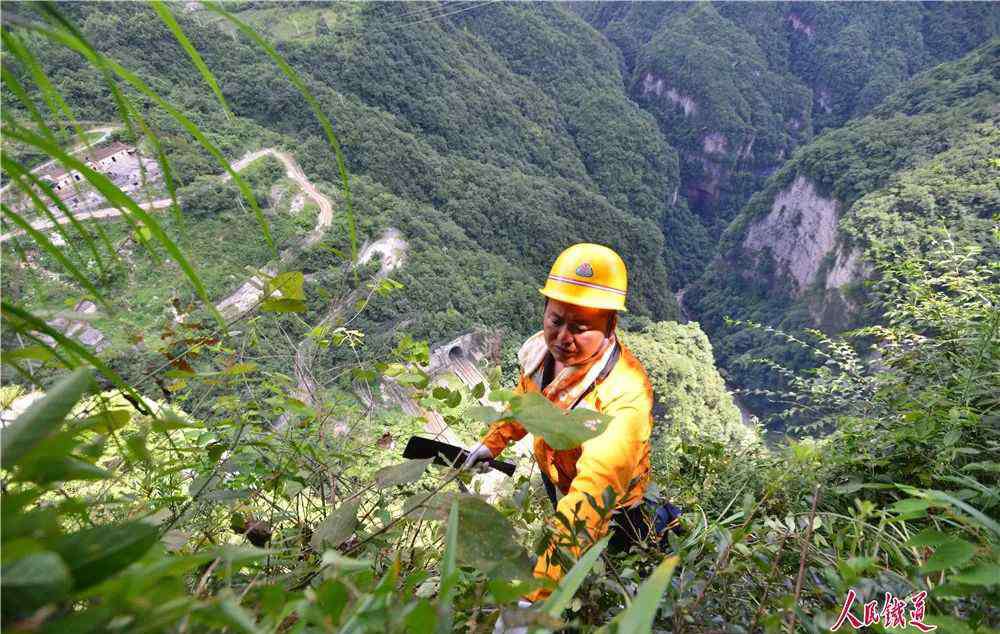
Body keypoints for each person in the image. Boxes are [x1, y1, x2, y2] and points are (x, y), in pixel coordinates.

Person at [462, 243, 656, 605]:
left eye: (580, 328)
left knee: (611, 589)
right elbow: (529, 401)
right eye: (556, 321)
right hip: (560, 480)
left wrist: (535, 594)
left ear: (610, 325)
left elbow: (594, 493)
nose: (563, 338)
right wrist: (494, 441)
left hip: (615, 509)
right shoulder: (540, 356)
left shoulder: (624, 394)